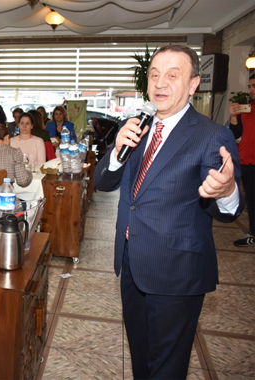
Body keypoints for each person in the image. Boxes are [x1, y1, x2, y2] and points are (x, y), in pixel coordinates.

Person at [94, 45, 243, 379]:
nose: (160, 83)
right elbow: (102, 183)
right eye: (154, 75)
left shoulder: (210, 135)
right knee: (142, 354)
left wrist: (227, 190)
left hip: (176, 269)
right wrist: (118, 151)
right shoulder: (137, 126)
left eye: (173, 75)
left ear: (193, 84)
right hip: (132, 261)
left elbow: (230, 212)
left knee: (168, 365)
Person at [229, 73, 255, 246]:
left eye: (254, 86)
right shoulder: (248, 109)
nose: (251, 90)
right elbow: (235, 133)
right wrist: (233, 116)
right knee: (252, 200)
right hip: (247, 162)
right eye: (250, 86)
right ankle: (253, 234)